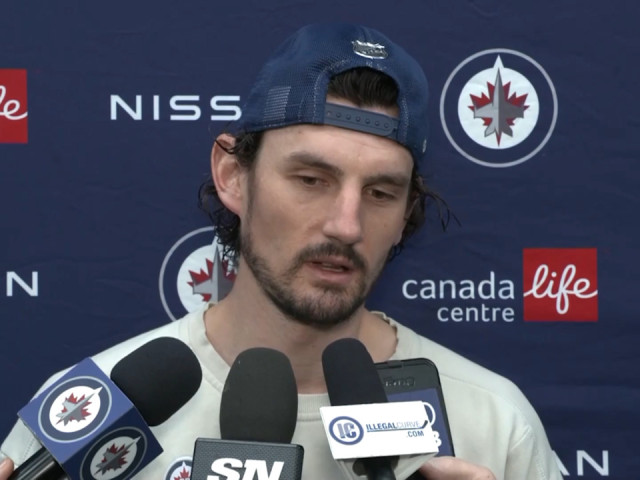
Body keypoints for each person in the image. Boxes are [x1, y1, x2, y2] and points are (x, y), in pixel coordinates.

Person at [0, 23, 562, 479]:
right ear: (233, 176)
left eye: (380, 193)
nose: (346, 225)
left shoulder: (494, 423)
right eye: (311, 179)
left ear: (405, 215)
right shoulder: (89, 416)